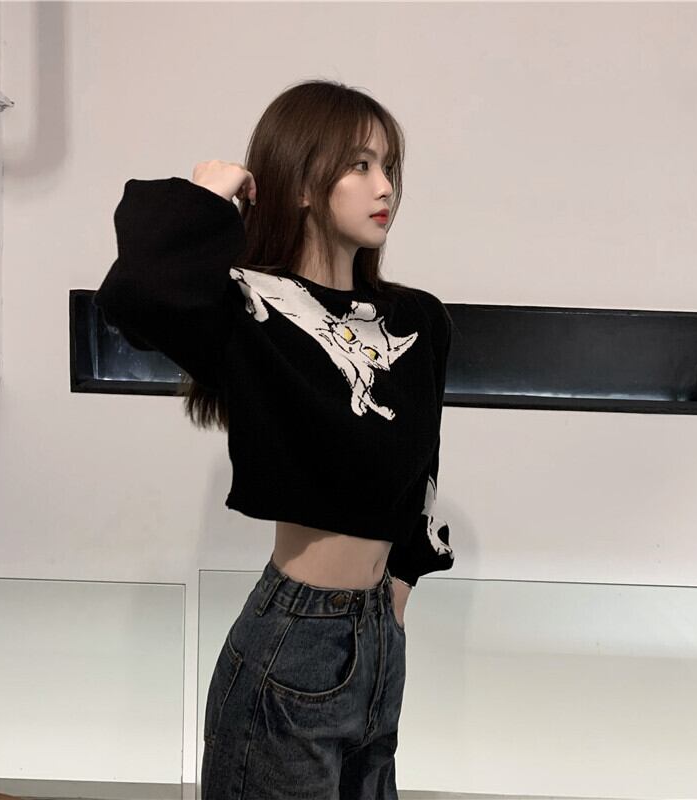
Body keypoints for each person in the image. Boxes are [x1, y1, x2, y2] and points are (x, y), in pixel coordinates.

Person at [93, 79, 454, 800]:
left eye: (389, 167)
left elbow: (422, 467)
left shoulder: (417, 320)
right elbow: (135, 295)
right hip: (293, 642)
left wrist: (398, 595)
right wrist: (207, 195)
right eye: (359, 165)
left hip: (378, 646)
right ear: (303, 184)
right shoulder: (250, 309)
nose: (385, 186)